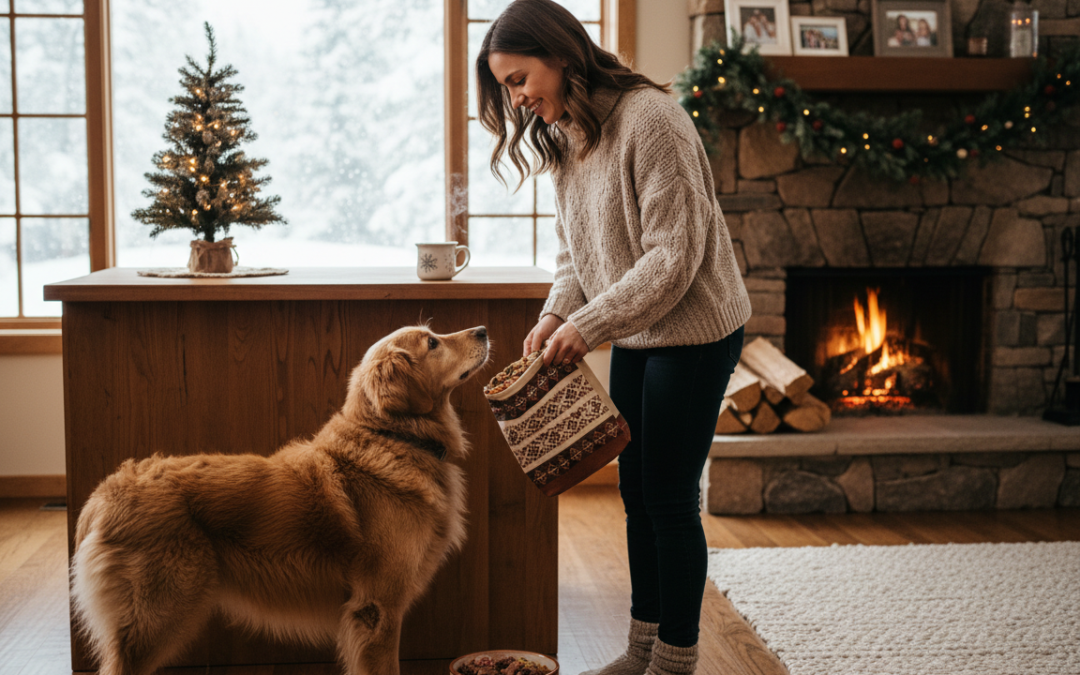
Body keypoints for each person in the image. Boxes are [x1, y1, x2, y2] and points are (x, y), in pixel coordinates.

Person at [475, 2, 752, 674]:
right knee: (635, 492)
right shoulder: (567, 132)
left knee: (667, 495)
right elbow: (577, 254)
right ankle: (641, 649)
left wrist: (587, 324)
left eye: (518, 79)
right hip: (636, 328)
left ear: (560, 52)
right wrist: (553, 314)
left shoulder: (651, 120)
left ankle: (676, 659)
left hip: (695, 326)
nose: (517, 99)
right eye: (506, 86)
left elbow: (672, 257)